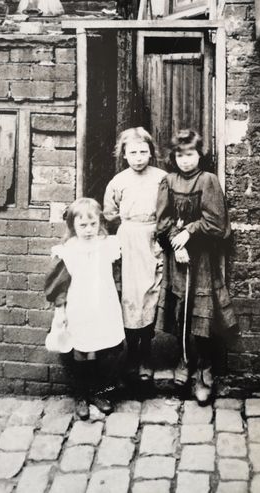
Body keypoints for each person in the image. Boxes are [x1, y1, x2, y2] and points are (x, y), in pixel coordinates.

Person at [156, 129, 236, 405]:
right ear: (174, 157)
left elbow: (217, 223)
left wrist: (189, 232)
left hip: (201, 257)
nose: (186, 160)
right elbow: (162, 221)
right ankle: (183, 360)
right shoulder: (168, 181)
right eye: (180, 155)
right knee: (181, 311)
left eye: (190, 154)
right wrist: (175, 245)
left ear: (200, 154)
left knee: (202, 313)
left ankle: (204, 369)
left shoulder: (208, 181)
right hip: (178, 258)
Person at [45, 198, 125, 420]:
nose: (88, 230)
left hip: (103, 305)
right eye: (82, 225)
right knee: (81, 351)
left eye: (93, 224)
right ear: (73, 226)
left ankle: (99, 392)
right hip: (79, 307)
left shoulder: (108, 246)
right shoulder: (68, 252)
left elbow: (116, 276)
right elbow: (59, 287)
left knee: (102, 348)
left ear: (100, 223)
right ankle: (81, 394)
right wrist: (61, 312)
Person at [103, 127, 167, 382]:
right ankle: (131, 355)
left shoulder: (162, 178)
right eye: (133, 152)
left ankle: (146, 355)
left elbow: (170, 208)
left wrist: (161, 235)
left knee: (151, 294)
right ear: (124, 154)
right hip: (129, 240)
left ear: (151, 152)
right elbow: (109, 214)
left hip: (154, 239)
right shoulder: (118, 181)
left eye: (143, 151)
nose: (139, 157)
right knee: (130, 297)